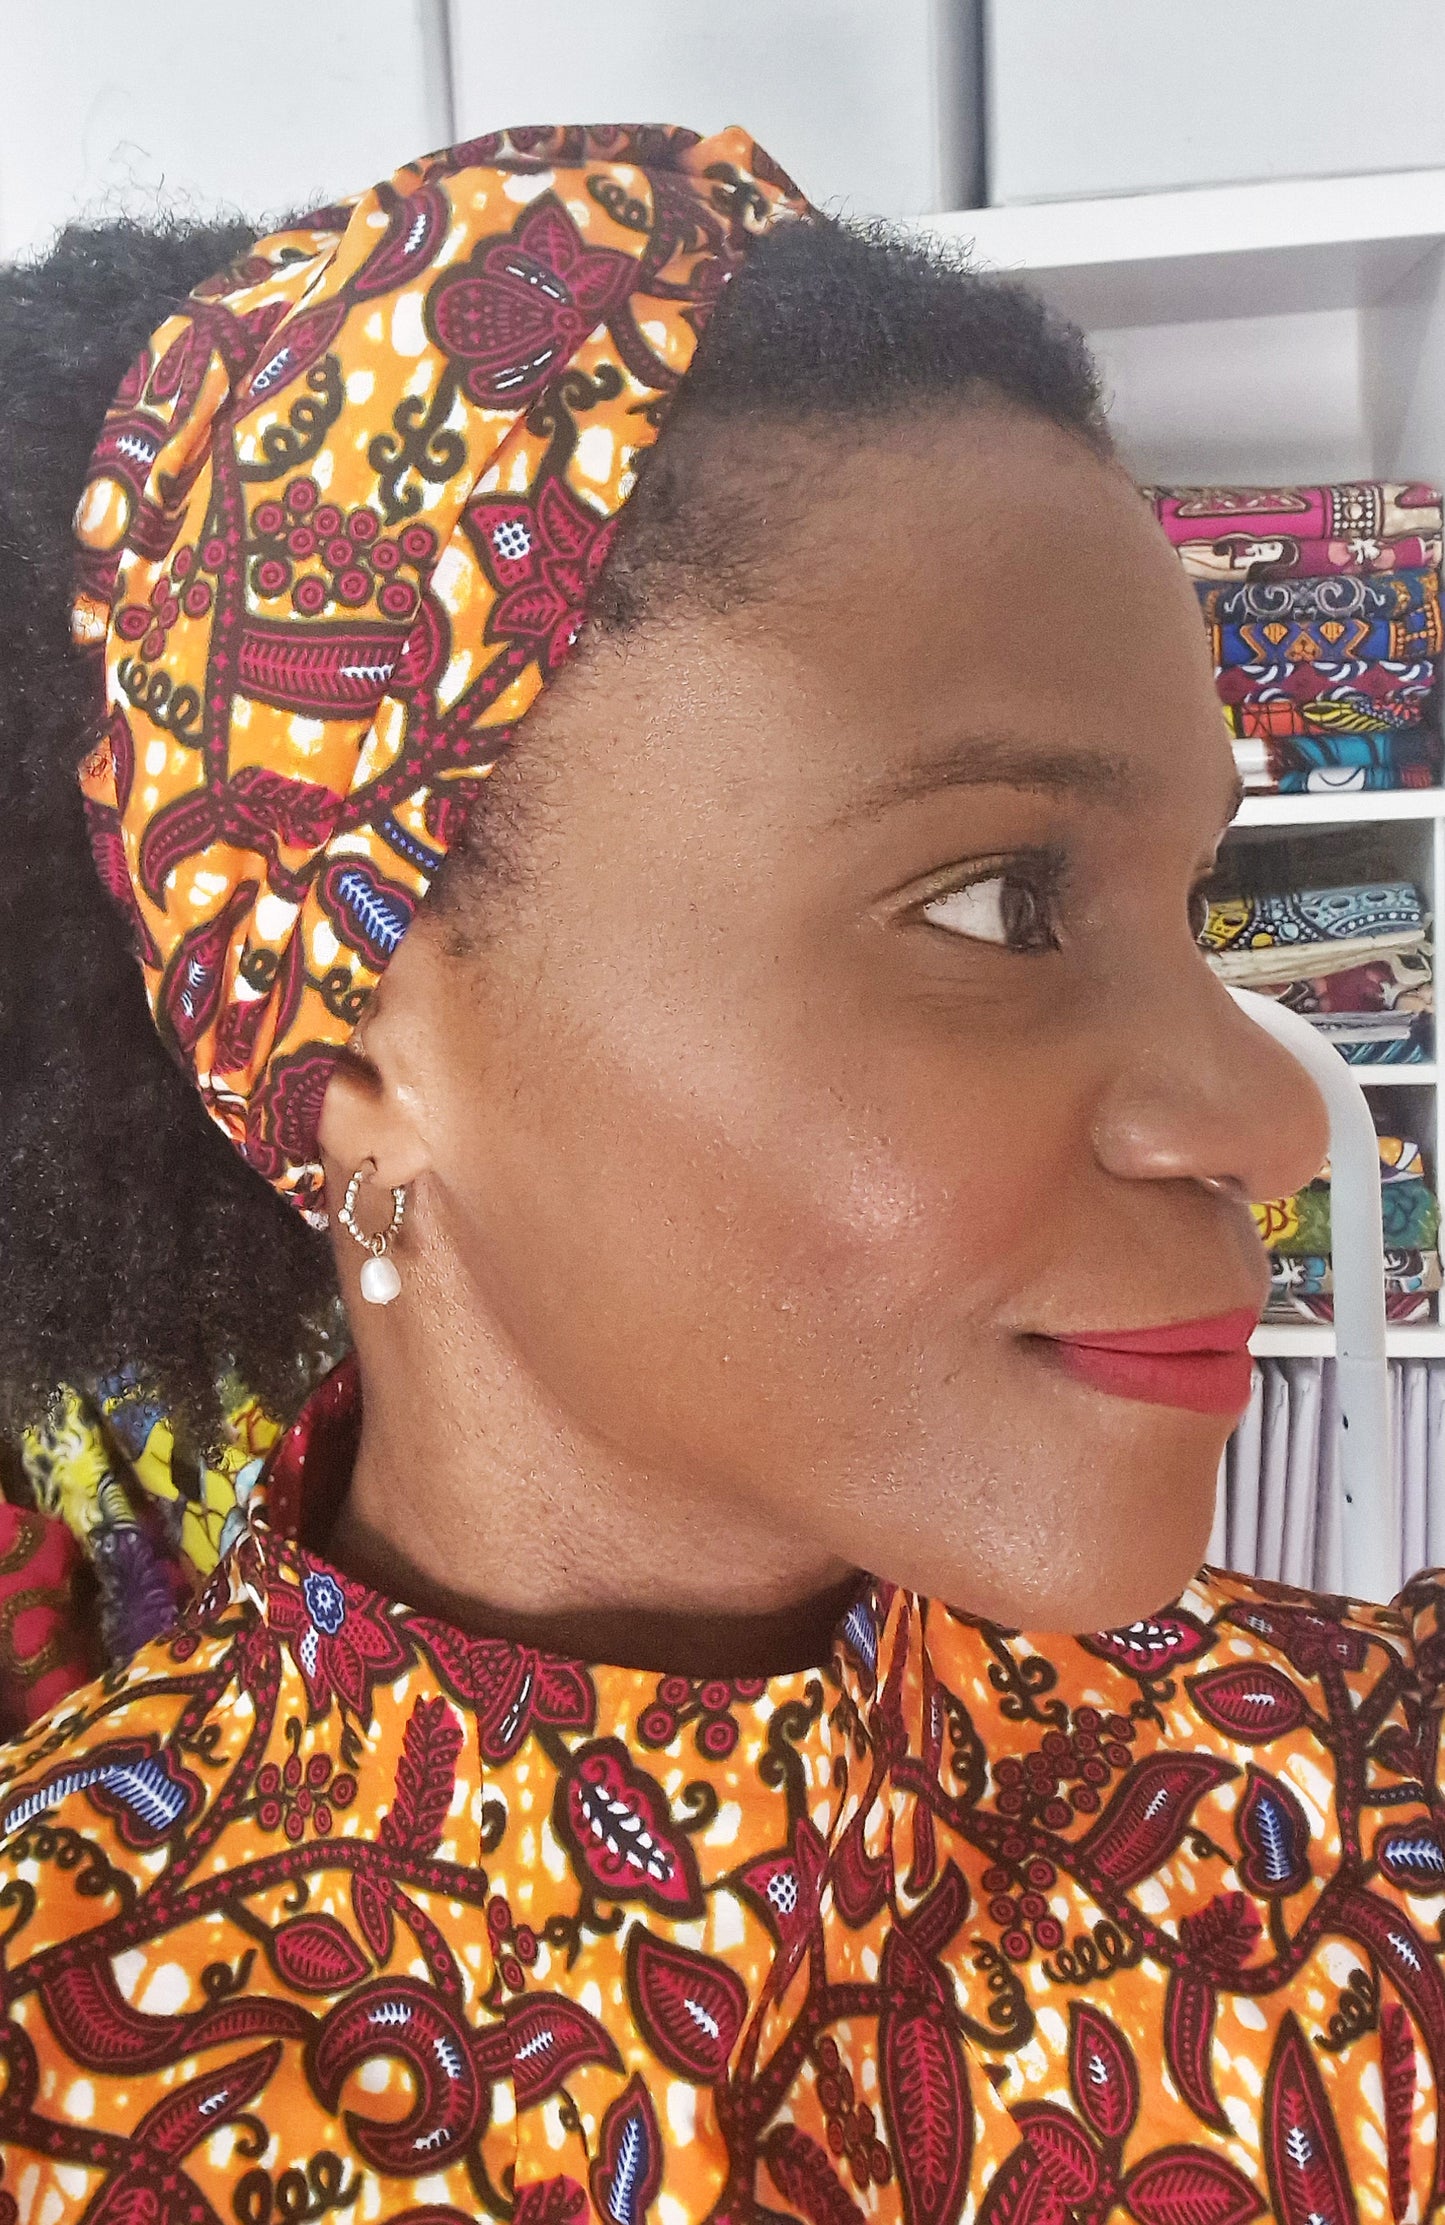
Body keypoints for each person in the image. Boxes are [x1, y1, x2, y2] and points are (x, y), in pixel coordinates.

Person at [0, 120, 1439, 2225]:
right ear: (365, 1070)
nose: (1272, 1120)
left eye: (1191, 899)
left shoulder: (1363, 1835)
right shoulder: (66, 2042)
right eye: (997, 905)